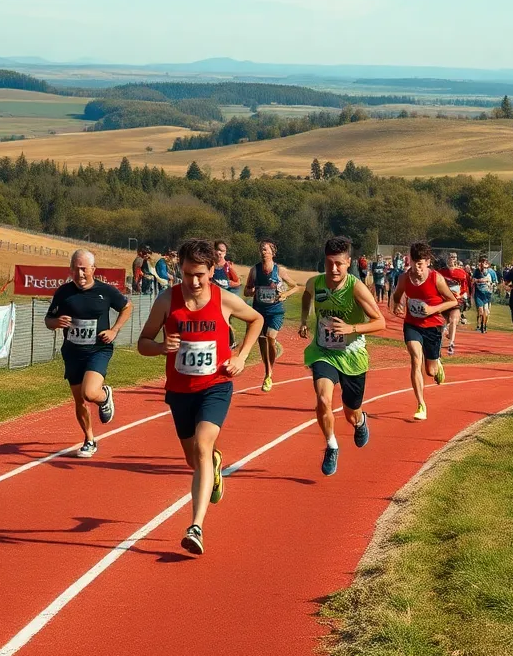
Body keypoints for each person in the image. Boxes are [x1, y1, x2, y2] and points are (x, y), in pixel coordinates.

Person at [137, 238, 262, 555]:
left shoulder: (223, 300)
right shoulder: (168, 300)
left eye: (201, 275)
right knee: (194, 459)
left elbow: (256, 319)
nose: (194, 282)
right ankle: (215, 464)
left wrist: (242, 357)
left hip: (216, 385)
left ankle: (196, 526)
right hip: (180, 392)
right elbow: (143, 343)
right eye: (189, 274)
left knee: (203, 447)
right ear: (181, 269)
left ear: (212, 271)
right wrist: (161, 347)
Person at [298, 236, 386, 476]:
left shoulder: (355, 287)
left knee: (350, 412)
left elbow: (381, 322)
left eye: (339, 264)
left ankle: (360, 421)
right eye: (329, 263)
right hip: (323, 352)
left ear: (348, 263)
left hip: (352, 356)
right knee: (323, 400)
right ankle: (331, 445)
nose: (334, 269)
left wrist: (351, 328)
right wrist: (305, 320)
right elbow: (306, 295)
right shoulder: (316, 283)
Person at [45, 249, 133, 458]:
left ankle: (104, 397)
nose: (80, 274)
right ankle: (89, 439)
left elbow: (127, 306)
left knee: (90, 393)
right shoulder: (63, 292)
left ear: (93, 269)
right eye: (76, 269)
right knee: (80, 401)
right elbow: (48, 320)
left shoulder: (105, 291)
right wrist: (56, 323)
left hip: (98, 350)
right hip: (73, 352)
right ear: (71, 270)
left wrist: (114, 330)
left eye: (84, 269)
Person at [392, 242, 459, 420]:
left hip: (433, 326)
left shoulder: (436, 278)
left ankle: (438, 364)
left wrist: (432, 310)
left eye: (421, 264)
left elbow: (453, 301)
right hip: (412, 325)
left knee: (430, 370)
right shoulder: (404, 279)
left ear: (427, 262)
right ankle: (421, 404)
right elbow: (397, 296)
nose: (417, 268)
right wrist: (397, 305)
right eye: (414, 263)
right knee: (415, 358)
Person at [244, 239, 298, 392]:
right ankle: (268, 372)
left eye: (266, 250)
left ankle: (269, 370)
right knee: (261, 341)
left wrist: (285, 294)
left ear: (273, 253)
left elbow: (295, 287)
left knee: (270, 337)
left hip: (275, 310)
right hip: (259, 311)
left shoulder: (279, 271)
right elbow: (246, 291)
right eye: (261, 249)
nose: (263, 252)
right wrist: (252, 290)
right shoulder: (254, 270)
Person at [435, 252, 469, 357]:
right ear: (448, 259)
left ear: (457, 259)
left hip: (456, 301)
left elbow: (464, 287)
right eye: (450, 257)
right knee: (441, 323)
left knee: (454, 320)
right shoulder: (441, 272)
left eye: (454, 257)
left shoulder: (462, 273)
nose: (452, 259)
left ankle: (451, 344)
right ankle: (439, 345)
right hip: (443, 301)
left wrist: (463, 296)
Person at [470, 254, 496, 334]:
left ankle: (484, 325)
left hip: (487, 294)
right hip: (479, 293)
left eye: (484, 263)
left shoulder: (491, 272)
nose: (482, 264)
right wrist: (479, 280)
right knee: (480, 311)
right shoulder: (477, 271)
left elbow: (495, 282)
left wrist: (492, 285)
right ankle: (481, 326)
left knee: (486, 311)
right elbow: (472, 280)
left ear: (487, 264)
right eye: (481, 262)